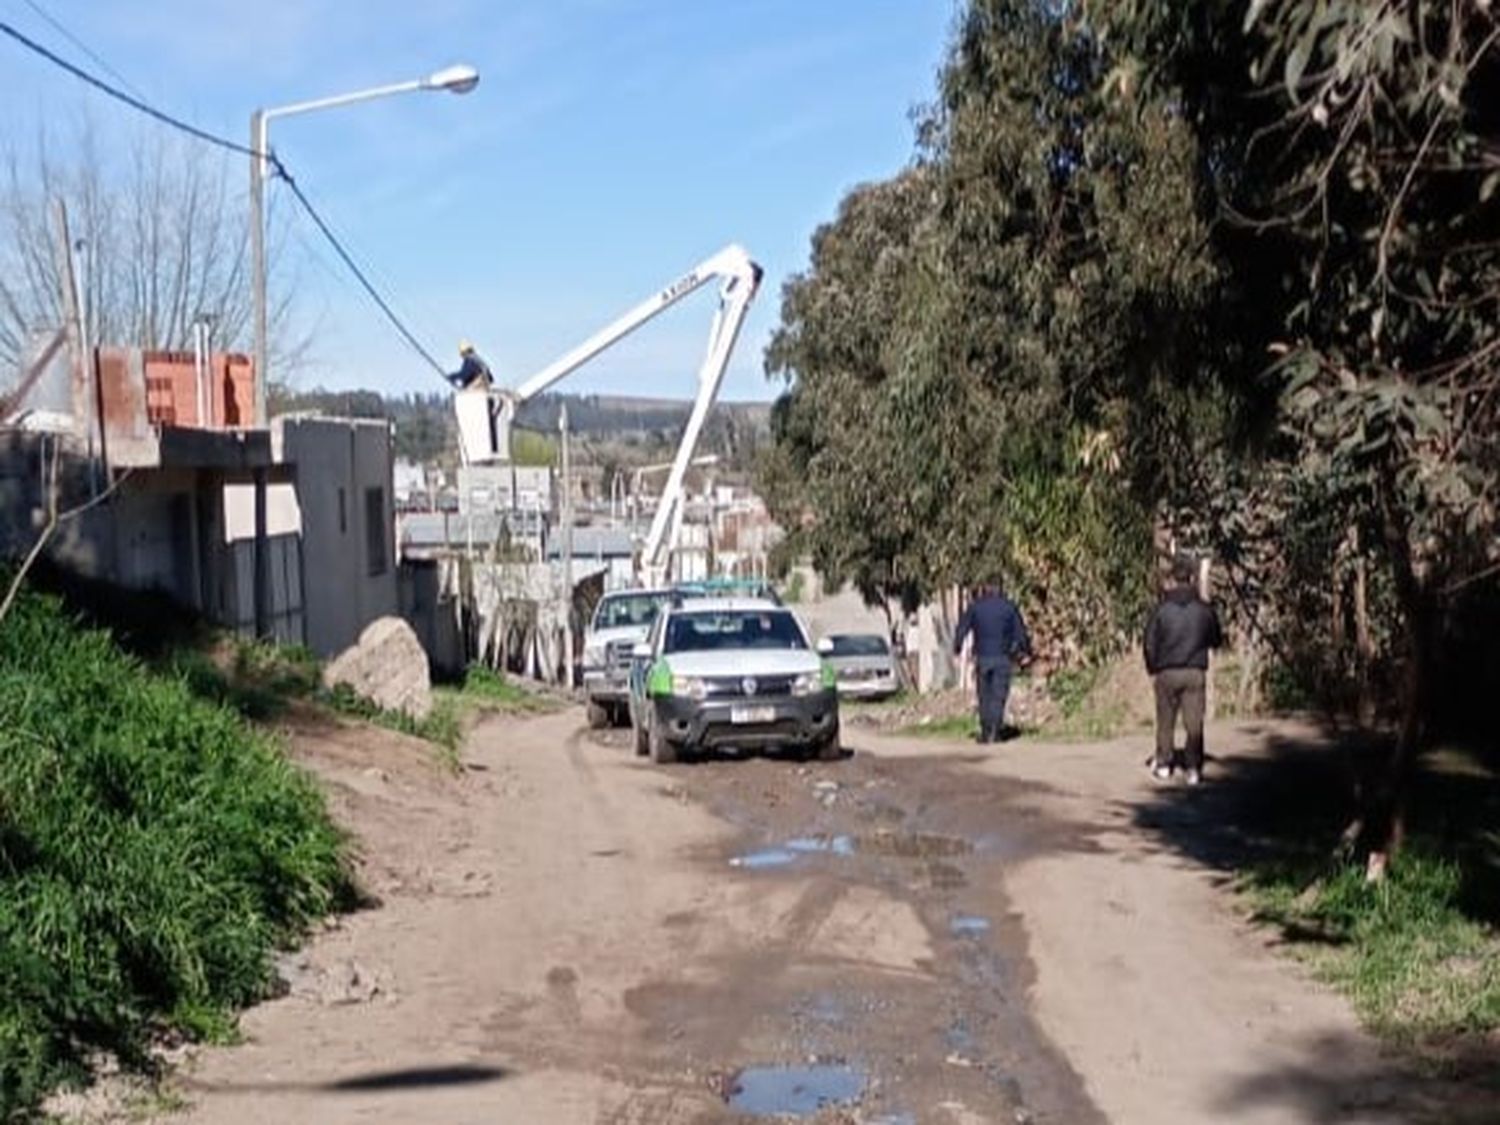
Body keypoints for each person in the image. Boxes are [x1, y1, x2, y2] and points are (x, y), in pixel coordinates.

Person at [1143, 555, 1224, 786]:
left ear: (1172, 579)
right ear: (1191, 577)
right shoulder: (1203, 609)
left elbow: (1149, 641)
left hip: (1166, 671)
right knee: (1194, 721)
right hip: (1194, 671)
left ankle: (1164, 762)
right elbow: (1216, 638)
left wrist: (1153, 666)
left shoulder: (1161, 609)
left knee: (1165, 720)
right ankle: (1192, 767)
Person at [953, 581, 1032, 744]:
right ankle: (995, 731)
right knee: (998, 696)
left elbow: (963, 627)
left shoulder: (976, 607)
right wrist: (1025, 651)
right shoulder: (1009, 608)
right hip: (1003, 657)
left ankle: (985, 730)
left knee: (984, 695)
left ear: (985, 588)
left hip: (982, 657)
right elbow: (1020, 632)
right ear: (1001, 588)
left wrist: (957, 647)